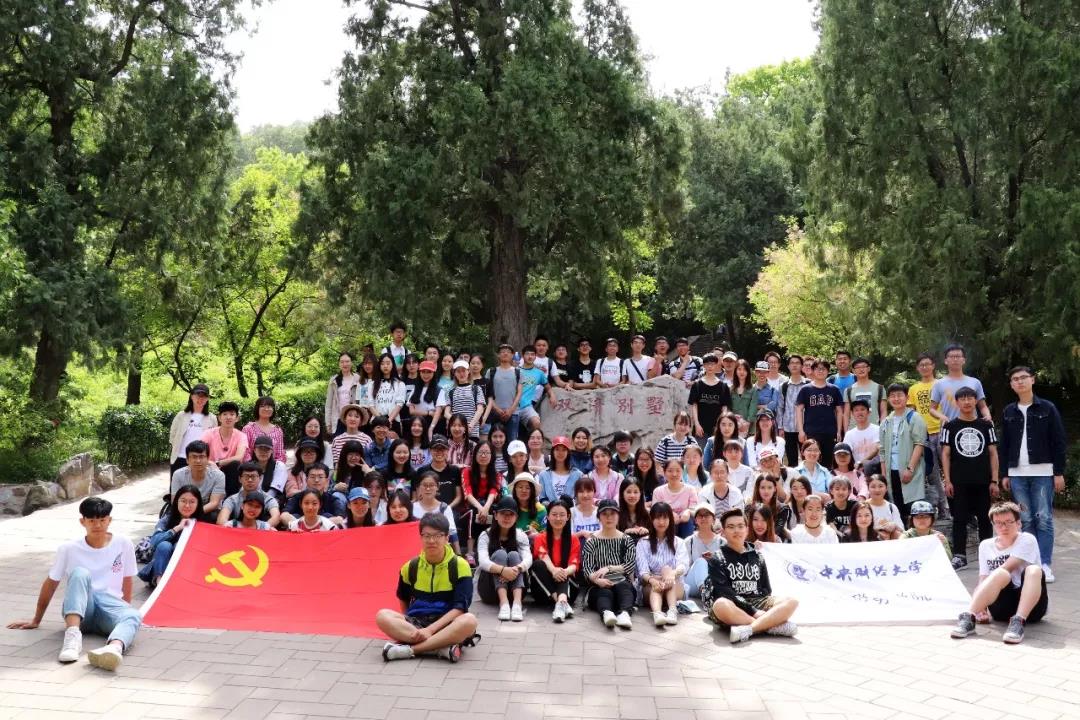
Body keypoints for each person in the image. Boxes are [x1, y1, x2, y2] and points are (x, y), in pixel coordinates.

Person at [8, 497, 141, 670]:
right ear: (82, 521)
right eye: (91, 521)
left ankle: (113, 648)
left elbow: (127, 578)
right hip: (82, 609)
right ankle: (72, 639)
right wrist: (36, 619)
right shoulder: (68, 548)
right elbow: (51, 583)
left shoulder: (124, 543)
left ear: (109, 520)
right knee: (79, 573)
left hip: (109, 606)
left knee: (133, 615)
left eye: (102, 520)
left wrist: (123, 609)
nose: (97, 525)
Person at [377, 512, 479, 663]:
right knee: (382, 616)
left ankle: (411, 649)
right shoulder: (410, 567)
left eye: (437, 536)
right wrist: (409, 626)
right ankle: (440, 647)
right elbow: (403, 598)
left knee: (469, 621)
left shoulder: (460, 566)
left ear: (447, 538)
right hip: (417, 623)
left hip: (447, 623)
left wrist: (430, 630)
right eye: (426, 536)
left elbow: (460, 608)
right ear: (421, 537)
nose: (431, 540)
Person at [999, 365, 1067, 583]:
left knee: (1043, 518)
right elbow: (1004, 445)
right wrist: (1004, 473)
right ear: (1011, 385)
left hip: (1043, 472)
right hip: (1017, 474)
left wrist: (1058, 472)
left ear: (1032, 380)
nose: (1019, 381)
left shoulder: (1047, 408)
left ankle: (1045, 564)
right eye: (1015, 379)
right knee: (1026, 519)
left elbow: (1059, 441)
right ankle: (1031, 563)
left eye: (1023, 377)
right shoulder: (1009, 411)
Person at [951, 502, 1047, 645]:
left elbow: (1008, 566)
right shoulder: (985, 545)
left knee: (1033, 570)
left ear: (1019, 523)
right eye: (999, 523)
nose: (1004, 527)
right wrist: (981, 607)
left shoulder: (1027, 539)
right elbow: (983, 578)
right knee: (1001, 574)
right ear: (993, 525)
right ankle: (969, 617)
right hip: (1001, 607)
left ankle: (1018, 621)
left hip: (1032, 608)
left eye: (1009, 522)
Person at [701, 509, 799, 643]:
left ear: (747, 529)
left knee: (791, 601)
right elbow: (725, 592)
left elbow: (766, 589)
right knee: (720, 605)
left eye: (740, 526)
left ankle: (750, 629)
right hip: (732, 604)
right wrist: (754, 611)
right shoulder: (716, 558)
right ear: (723, 532)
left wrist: (759, 607)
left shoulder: (757, 555)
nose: (736, 530)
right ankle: (770, 626)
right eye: (731, 527)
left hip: (756, 600)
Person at [940, 386, 999, 570]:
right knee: (959, 519)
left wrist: (994, 480)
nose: (966, 402)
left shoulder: (986, 425)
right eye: (962, 399)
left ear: (976, 401)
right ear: (956, 403)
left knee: (984, 518)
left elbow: (993, 453)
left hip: (983, 480)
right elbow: (945, 454)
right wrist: (947, 480)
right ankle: (959, 555)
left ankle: (988, 556)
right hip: (958, 481)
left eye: (970, 398)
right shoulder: (949, 426)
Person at [581, 499, 638, 629]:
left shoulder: (626, 540)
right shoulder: (592, 541)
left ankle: (625, 614)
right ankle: (606, 614)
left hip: (622, 582)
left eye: (612, 513)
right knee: (604, 592)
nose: (609, 517)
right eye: (604, 514)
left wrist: (609, 568)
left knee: (624, 587)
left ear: (618, 516)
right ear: (599, 517)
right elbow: (587, 568)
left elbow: (630, 565)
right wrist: (596, 580)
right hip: (599, 585)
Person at [475, 497, 533, 620]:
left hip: (515, 588)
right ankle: (504, 603)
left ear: (516, 517)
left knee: (514, 555)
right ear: (495, 515)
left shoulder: (520, 535)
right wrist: (502, 570)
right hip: (490, 590)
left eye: (511, 514)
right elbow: (483, 561)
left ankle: (517, 604)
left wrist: (517, 569)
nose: (507, 518)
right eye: (503, 514)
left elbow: (528, 558)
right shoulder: (485, 535)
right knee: (500, 554)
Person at [880, 383, 928, 526]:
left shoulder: (915, 418)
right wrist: (884, 474)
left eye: (899, 395)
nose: (896, 399)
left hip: (910, 469)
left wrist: (910, 469)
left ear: (907, 397)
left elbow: (919, 444)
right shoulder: (886, 422)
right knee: (897, 507)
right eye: (892, 396)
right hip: (891, 471)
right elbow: (882, 450)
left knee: (913, 506)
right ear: (888, 399)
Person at [908, 352, 949, 519]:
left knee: (951, 471)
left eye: (927, 364)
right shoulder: (913, 389)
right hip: (923, 435)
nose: (925, 367)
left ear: (933, 366)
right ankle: (943, 509)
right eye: (921, 365)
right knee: (932, 475)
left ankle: (957, 508)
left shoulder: (942, 384)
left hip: (943, 431)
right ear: (917, 368)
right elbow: (911, 413)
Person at [636, 502, 689, 627]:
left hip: (674, 586)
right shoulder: (643, 543)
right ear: (651, 519)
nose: (661, 522)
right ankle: (657, 613)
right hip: (651, 586)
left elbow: (683, 565)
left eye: (665, 518)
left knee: (666, 569)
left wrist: (671, 574)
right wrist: (653, 580)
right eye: (657, 518)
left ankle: (672, 611)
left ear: (670, 519)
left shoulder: (679, 542)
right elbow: (642, 571)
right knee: (658, 583)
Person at [139, 485, 202, 587]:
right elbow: (154, 542)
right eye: (183, 501)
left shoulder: (203, 523)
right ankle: (159, 582)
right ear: (176, 501)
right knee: (164, 545)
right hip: (162, 566)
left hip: (187, 570)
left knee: (179, 546)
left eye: (192, 502)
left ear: (198, 504)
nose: (187, 505)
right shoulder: (167, 519)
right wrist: (176, 529)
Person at [529, 498, 580, 621]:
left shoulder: (573, 539)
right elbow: (543, 556)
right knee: (538, 564)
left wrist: (563, 571)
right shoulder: (540, 538)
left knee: (564, 570)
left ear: (568, 517)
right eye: (554, 514)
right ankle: (562, 603)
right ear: (548, 517)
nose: (558, 518)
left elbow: (574, 565)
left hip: (569, 591)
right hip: (543, 591)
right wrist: (554, 570)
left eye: (562, 515)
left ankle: (561, 602)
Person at [796, 360, 844, 469]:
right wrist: (801, 431)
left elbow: (839, 411)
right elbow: (799, 410)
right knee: (810, 461)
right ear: (813, 371)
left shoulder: (834, 389)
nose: (820, 371)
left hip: (830, 432)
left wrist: (838, 431)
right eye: (817, 368)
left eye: (823, 369)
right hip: (811, 431)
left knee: (828, 463)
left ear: (828, 371)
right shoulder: (805, 389)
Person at [462, 441, 502, 564]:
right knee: (473, 511)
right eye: (480, 452)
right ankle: (470, 552)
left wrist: (485, 508)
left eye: (486, 453)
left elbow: (494, 492)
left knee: (494, 511)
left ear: (492, 456)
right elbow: (467, 493)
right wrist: (480, 508)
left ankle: (491, 550)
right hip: (470, 509)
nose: (483, 455)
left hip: (487, 509)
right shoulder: (467, 471)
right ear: (475, 454)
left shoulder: (496, 475)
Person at [930, 344, 992, 423]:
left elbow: (982, 406)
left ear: (964, 360)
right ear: (945, 361)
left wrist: (988, 416)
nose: (955, 359)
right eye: (951, 357)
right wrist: (942, 417)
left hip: (972, 427)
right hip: (949, 426)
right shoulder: (939, 384)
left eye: (958, 356)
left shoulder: (975, 382)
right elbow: (932, 409)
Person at [168, 383, 217, 476]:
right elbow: (172, 434)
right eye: (198, 395)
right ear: (191, 396)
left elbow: (214, 440)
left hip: (201, 461)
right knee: (177, 484)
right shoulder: (181, 415)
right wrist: (176, 447)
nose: (200, 399)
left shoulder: (212, 418)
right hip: (180, 458)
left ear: (207, 399)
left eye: (204, 396)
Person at [169, 440, 225, 521]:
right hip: (184, 511)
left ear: (208, 459)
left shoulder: (218, 476)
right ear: (187, 460)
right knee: (167, 519)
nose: (198, 461)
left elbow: (214, 503)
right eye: (194, 457)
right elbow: (174, 501)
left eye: (201, 457)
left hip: (207, 512)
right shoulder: (178, 475)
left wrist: (193, 514)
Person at [217, 462, 282, 528]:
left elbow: (276, 517)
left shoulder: (268, 499)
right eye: (246, 476)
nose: (250, 480)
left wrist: (262, 528)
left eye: (253, 477)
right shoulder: (232, 499)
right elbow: (221, 520)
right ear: (240, 479)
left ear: (260, 478)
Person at [205, 402, 250, 498]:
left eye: (232, 414)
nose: (228, 417)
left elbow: (239, 457)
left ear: (237, 418)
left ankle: (230, 500)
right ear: (219, 418)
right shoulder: (208, 433)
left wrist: (218, 463)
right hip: (209, 469)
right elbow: (200, 453)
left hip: (230, 471)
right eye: (225, 414)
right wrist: (212, 464)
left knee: (235, 464)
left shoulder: (241, 436)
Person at [279, 464, 345, 527]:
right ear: (306, 480)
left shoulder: (333, 500)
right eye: (312, 477)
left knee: (327, 516)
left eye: (320, 477)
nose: (316, 480)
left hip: (324, 532)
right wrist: (302, 525)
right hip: (300, 531)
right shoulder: (298, 497)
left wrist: (316, 525)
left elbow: (340, 519)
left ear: (327, 481)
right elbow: (284, 515)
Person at [483, 343, 525, 441]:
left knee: (512, 441)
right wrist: (497, 409)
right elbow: (487, 393)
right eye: (502, 352)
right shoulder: (491, 371)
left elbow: (519, 393)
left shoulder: (518, 372)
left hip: (513, 413)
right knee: (494, 441)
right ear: (498, 355)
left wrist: (511, 410)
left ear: (512, 355)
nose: (505, 354)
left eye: (508, 352)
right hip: (494, 412)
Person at [437, 360, 486, 441]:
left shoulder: (476, 389)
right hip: (455, 433)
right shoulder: (451, 391)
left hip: (472, 432)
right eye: (458, 371)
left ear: (468, 371)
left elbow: (480, 410)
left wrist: (470, 426)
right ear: (455, 373)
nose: (461, 373)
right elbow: (446, 413)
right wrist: (459, 424)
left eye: (463, 371)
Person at [776, 355, 810, 467]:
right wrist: (780, 427)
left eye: (797, 363)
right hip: (788, 428)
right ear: (788, 366)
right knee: (791, 461)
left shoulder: (809, 384)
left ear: (802, 366)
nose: (794, 365)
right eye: (792, 363)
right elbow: (780, 407)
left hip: (805, 428)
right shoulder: (784, 386)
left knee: (808, 459)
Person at [689, 354, 732, 442]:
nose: (710, 366)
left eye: (712, 364)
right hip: (700, 429)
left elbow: (724, 408)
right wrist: (696, 424)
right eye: (707, 364)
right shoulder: (697, 385)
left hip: (717, 429)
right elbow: (694, 405)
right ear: (704, 365)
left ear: (716, 365)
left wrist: (721, 425)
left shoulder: (723, 386)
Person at [684, 503, 723, 597]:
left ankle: (708, 593)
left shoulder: (722, 542)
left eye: (707, 515)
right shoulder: (689, 541)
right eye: (700, 516)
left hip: (715, 582)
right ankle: (706, 593)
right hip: (693, 583)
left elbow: (726, 568)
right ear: (695, 520)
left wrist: (713, 559)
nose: (703, 518)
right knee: (701, 562)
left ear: (713, 519)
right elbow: (685, 568)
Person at [652, 458, 698, 538]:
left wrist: (688, 511)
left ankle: (687, 544)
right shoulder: (658, 491)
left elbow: (695, 510)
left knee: (687, 522)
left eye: (678, 471)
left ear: (683, 471)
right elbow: (655, 512)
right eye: (670, 471)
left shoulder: (690, 489)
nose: (674, 474)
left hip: (686, 524)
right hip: (666, 525)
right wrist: (669, 514)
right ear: (664, 472)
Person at [842, 357, 886, 428]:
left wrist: (882, 429)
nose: (861, 369)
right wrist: (846, 432)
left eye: (863, 366)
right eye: (858, 367)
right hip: (854, 430)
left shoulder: (879, 388)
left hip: (874, 429)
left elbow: (883, 412)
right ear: (853, 371)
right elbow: (846, 414)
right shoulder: (848, 390)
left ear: (869, 369)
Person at [842, 399, 881, 477]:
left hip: (876, 471)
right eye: (856, 410)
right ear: (852, 414)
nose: (859, 412)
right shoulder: (849, 434)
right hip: (857, 473)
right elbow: (846, 454)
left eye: (862, 409)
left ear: (868, 412)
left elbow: (876, 449)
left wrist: (861, 462)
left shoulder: (878, 429)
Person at [326, 353, 362, 437]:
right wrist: (328, 423)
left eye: (347, 361)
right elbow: (328, 404)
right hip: (338, 420)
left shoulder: (358, 378)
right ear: (339, 364)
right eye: (342, 362)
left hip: (353, 419)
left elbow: (361, 400)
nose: (344, 364)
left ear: (351, 363)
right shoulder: (334, 380)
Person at [538, 435, 583, 503]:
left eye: (564, 450)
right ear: (553, 451)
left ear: (568, 452)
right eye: (557, 449)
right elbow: (542, 498)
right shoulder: (544, 474)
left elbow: (580, 497)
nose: (560, 453)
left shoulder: (578, 474)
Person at [242, 396, 286, 462]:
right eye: (262, 406)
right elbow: (245, 452)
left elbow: (280, 454)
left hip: (273, 466)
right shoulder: (248, 429)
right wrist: (252, 466)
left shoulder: (278, 430)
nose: (266, 409)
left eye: (269, 406)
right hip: (252, 466)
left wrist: (274, 466)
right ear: (257, 409)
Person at [865, 474, 903, 540]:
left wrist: (894, 525)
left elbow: (902, 530)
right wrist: (878, 531)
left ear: (886, 488)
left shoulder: (892, 507)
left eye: (880, 486)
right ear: (868, 488)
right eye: (873, 487)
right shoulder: (863, 507)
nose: (877, 490)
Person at [251, 435, 288, 500]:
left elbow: (273, 492)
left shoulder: (279, 466)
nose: (263, 452)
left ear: (272, 451)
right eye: (260, 449)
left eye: (267, 449)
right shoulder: (248, 466)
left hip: (272, 500)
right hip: (250, 500)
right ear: (254, 450)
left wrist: (260, 502)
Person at [728, 360, 759, 426]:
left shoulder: (753, 389)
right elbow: (728, 408)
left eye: (744, 369)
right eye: (739, 369)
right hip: (733, 424)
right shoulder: (731, 389)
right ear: (735, 371)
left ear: (748, 372)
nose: (742, 372)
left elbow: (753, 408)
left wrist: (747, 423)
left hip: (749, 425)